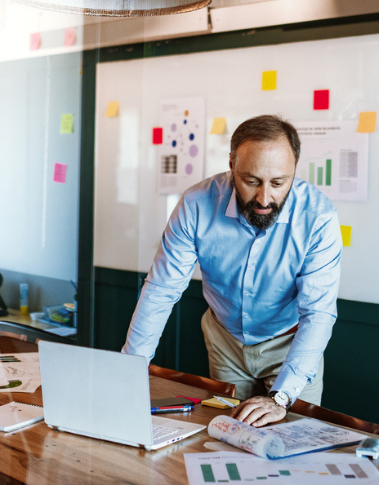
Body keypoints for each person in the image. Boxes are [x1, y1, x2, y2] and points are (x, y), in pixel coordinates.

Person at [122, 115, 342, 427]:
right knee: (230, 436)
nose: (264, 198)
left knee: (287, 443)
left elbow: (318, 313)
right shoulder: (197, 204)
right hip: (225, 341)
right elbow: (162, 289)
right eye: (251, 181)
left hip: (290, 345)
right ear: (231, 165)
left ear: (294, 169)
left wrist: (281, 398)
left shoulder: (318, 217)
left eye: (279, 183)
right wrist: (129, 368)